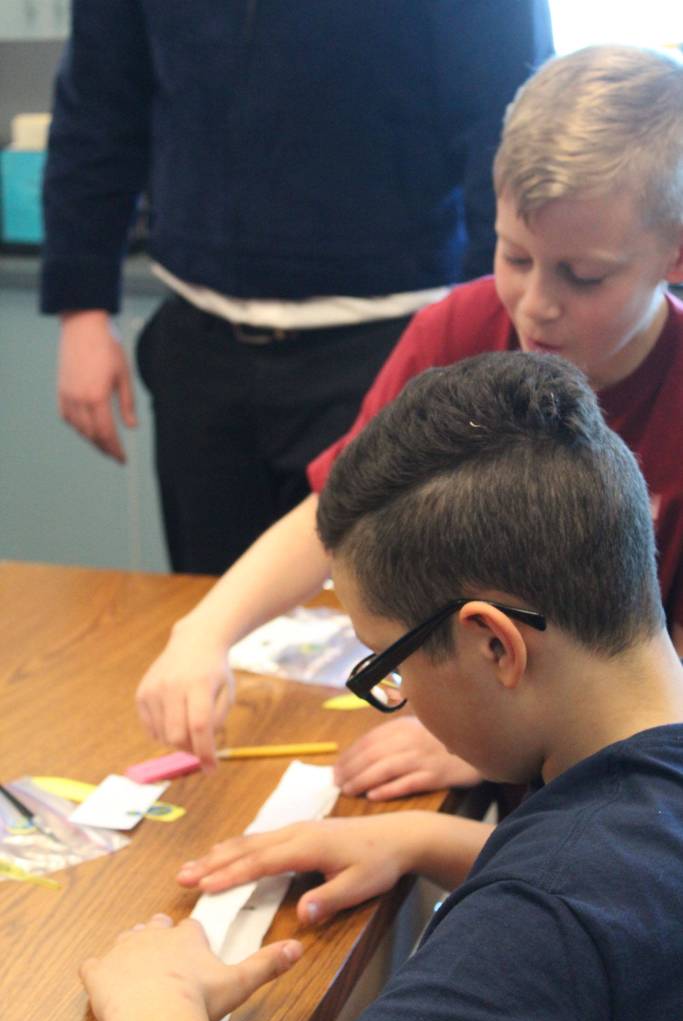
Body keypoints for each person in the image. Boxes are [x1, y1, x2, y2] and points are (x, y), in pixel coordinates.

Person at [134, 44, 683, 801]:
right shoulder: (455, 330)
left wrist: (502, 745)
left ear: (674, 254)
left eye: (582, 275)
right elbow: (336, 513)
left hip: (627, 785)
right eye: (514, 255)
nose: (535, 305)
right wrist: (204, 631)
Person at [81, 353, 683, 1021]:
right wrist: (426, 841)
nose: (398, 695)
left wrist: (153, 1004)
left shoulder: (539, 919)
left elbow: (568, 911)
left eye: (384, 665)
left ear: (493, 644)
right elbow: (627, 899)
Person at [40, 0, 553, 574]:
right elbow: (98, 108)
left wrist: (498, 332)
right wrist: (81, 308)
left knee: (387, 626)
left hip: (395, 349)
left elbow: (506, 123)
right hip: (201, 354)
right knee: (211, 616)